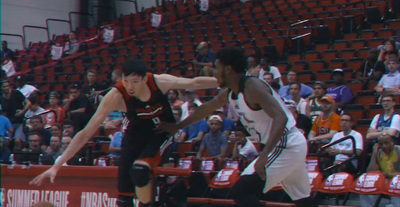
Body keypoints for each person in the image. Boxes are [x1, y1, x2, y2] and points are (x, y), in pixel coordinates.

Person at [30, 59, 218, 207]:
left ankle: (146, 205)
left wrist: (227, 82)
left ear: (144, 78)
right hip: (134, 133)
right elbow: (86, 132)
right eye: (126, 80)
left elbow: (195, 82)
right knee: (123, 199)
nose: (129, 86)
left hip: (161, 131)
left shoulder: (160, 82)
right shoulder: (116, 95)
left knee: (140, 170)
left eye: (135, 81)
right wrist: (58, 164)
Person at [157, 47, 314, 207]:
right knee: (304, 200)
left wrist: (265, 155)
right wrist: (178, 126)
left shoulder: (252, 87)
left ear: (228, 69)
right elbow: (206, 108)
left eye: (216, 68)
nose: (214, 74)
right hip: (290, 145)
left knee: (242, 191)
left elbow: (280, 117)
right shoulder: (230, 93)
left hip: (286, 144)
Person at [360, 133, 400, 207]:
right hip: (385, 181)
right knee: (365, 187)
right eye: (381, 144)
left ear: (392, 142)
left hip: (396, 181)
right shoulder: (379, 152)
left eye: (386, 143)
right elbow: (371, 172)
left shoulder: (398, 151)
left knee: (396, 185)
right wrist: (374, 154)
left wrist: (388, 175)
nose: (384, 146)